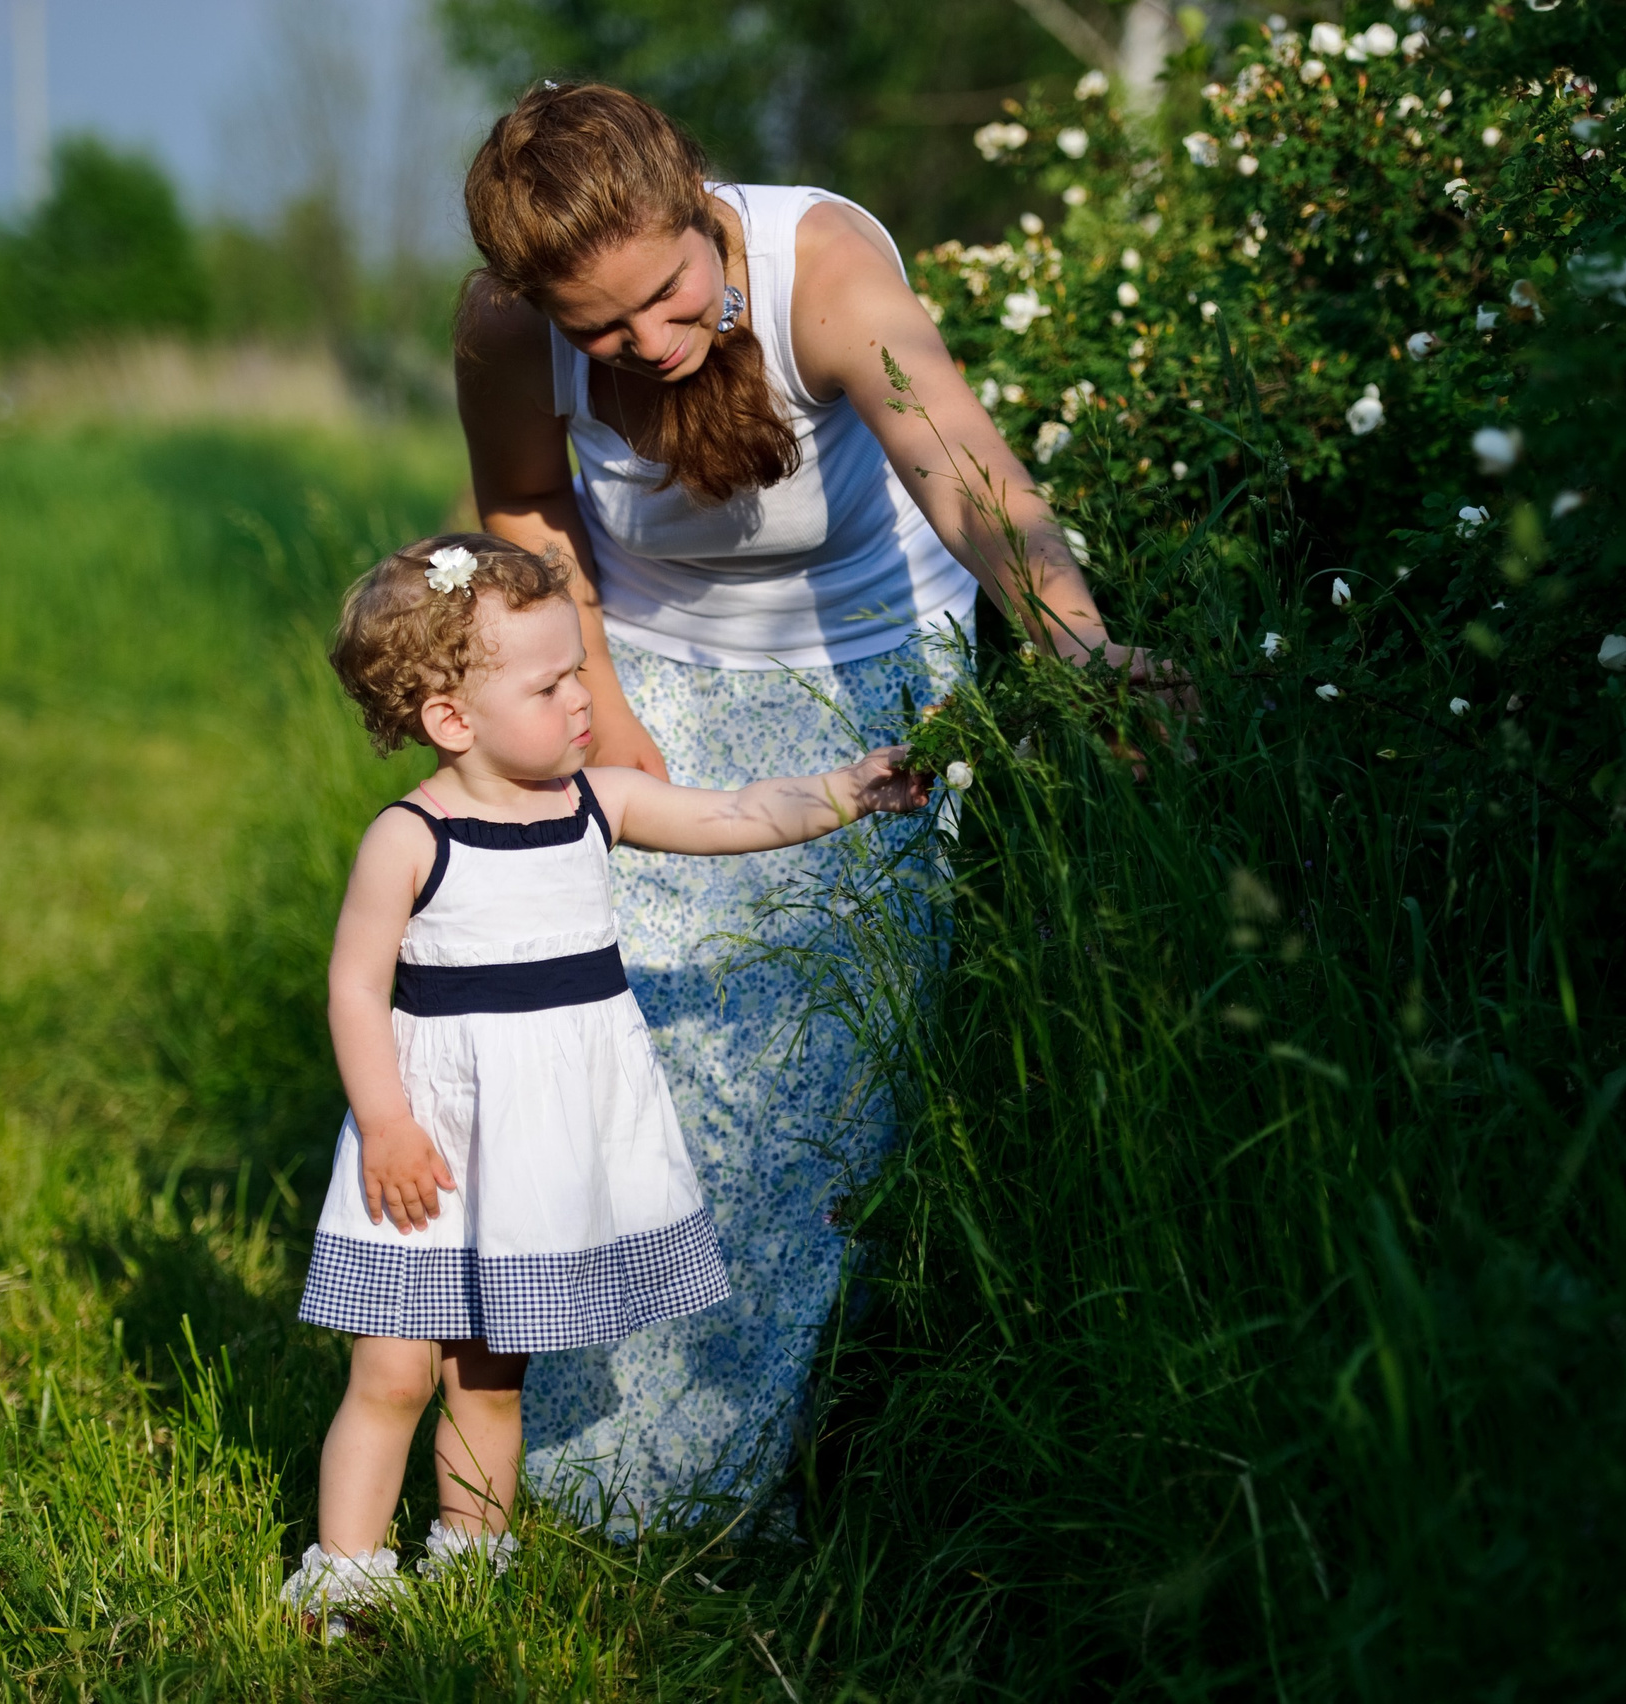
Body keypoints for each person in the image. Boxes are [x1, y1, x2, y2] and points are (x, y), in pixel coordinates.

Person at [456, 81, 1165, 1528]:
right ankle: (568, 1477)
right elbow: (526, 516)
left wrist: (1086, 656)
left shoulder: (824, 272)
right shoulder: (499, 329)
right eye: (602, 335)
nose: (648, 348)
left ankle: (725, 1485)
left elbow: (971, 479)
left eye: (666, 297)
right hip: (637, 675)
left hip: (859, 687)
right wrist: (603, 715)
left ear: (696, 196)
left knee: (794, 1084)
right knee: (614, 1055)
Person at [279, 533, 928, 1619]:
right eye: (550, 683)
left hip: (533, 1150)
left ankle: (469, 1562)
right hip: (427, 1143)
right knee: (392, 1373)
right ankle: (343, 1579)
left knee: (492, 1378)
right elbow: (354, 991)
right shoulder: (410, 837)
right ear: (452, 721)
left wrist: (845, 791)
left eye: (580, 667)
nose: (583, 698)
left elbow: (731, 813)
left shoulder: (597, 802)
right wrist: (384, 1124)